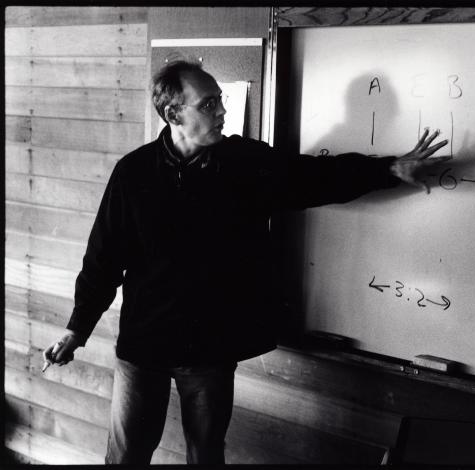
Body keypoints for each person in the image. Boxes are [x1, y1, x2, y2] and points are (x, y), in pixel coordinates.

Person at [42, 60, 448, 464]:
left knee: (205, 455)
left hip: (209, 347)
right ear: (172, 114)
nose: (222, 112)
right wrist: (77, 329)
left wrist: (389, 168)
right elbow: (103, 260)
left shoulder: (245, 163)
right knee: (127, 455)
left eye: (219, 100)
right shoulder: (133, 173)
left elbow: (318, 176)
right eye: (207, 105)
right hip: (143, 343)